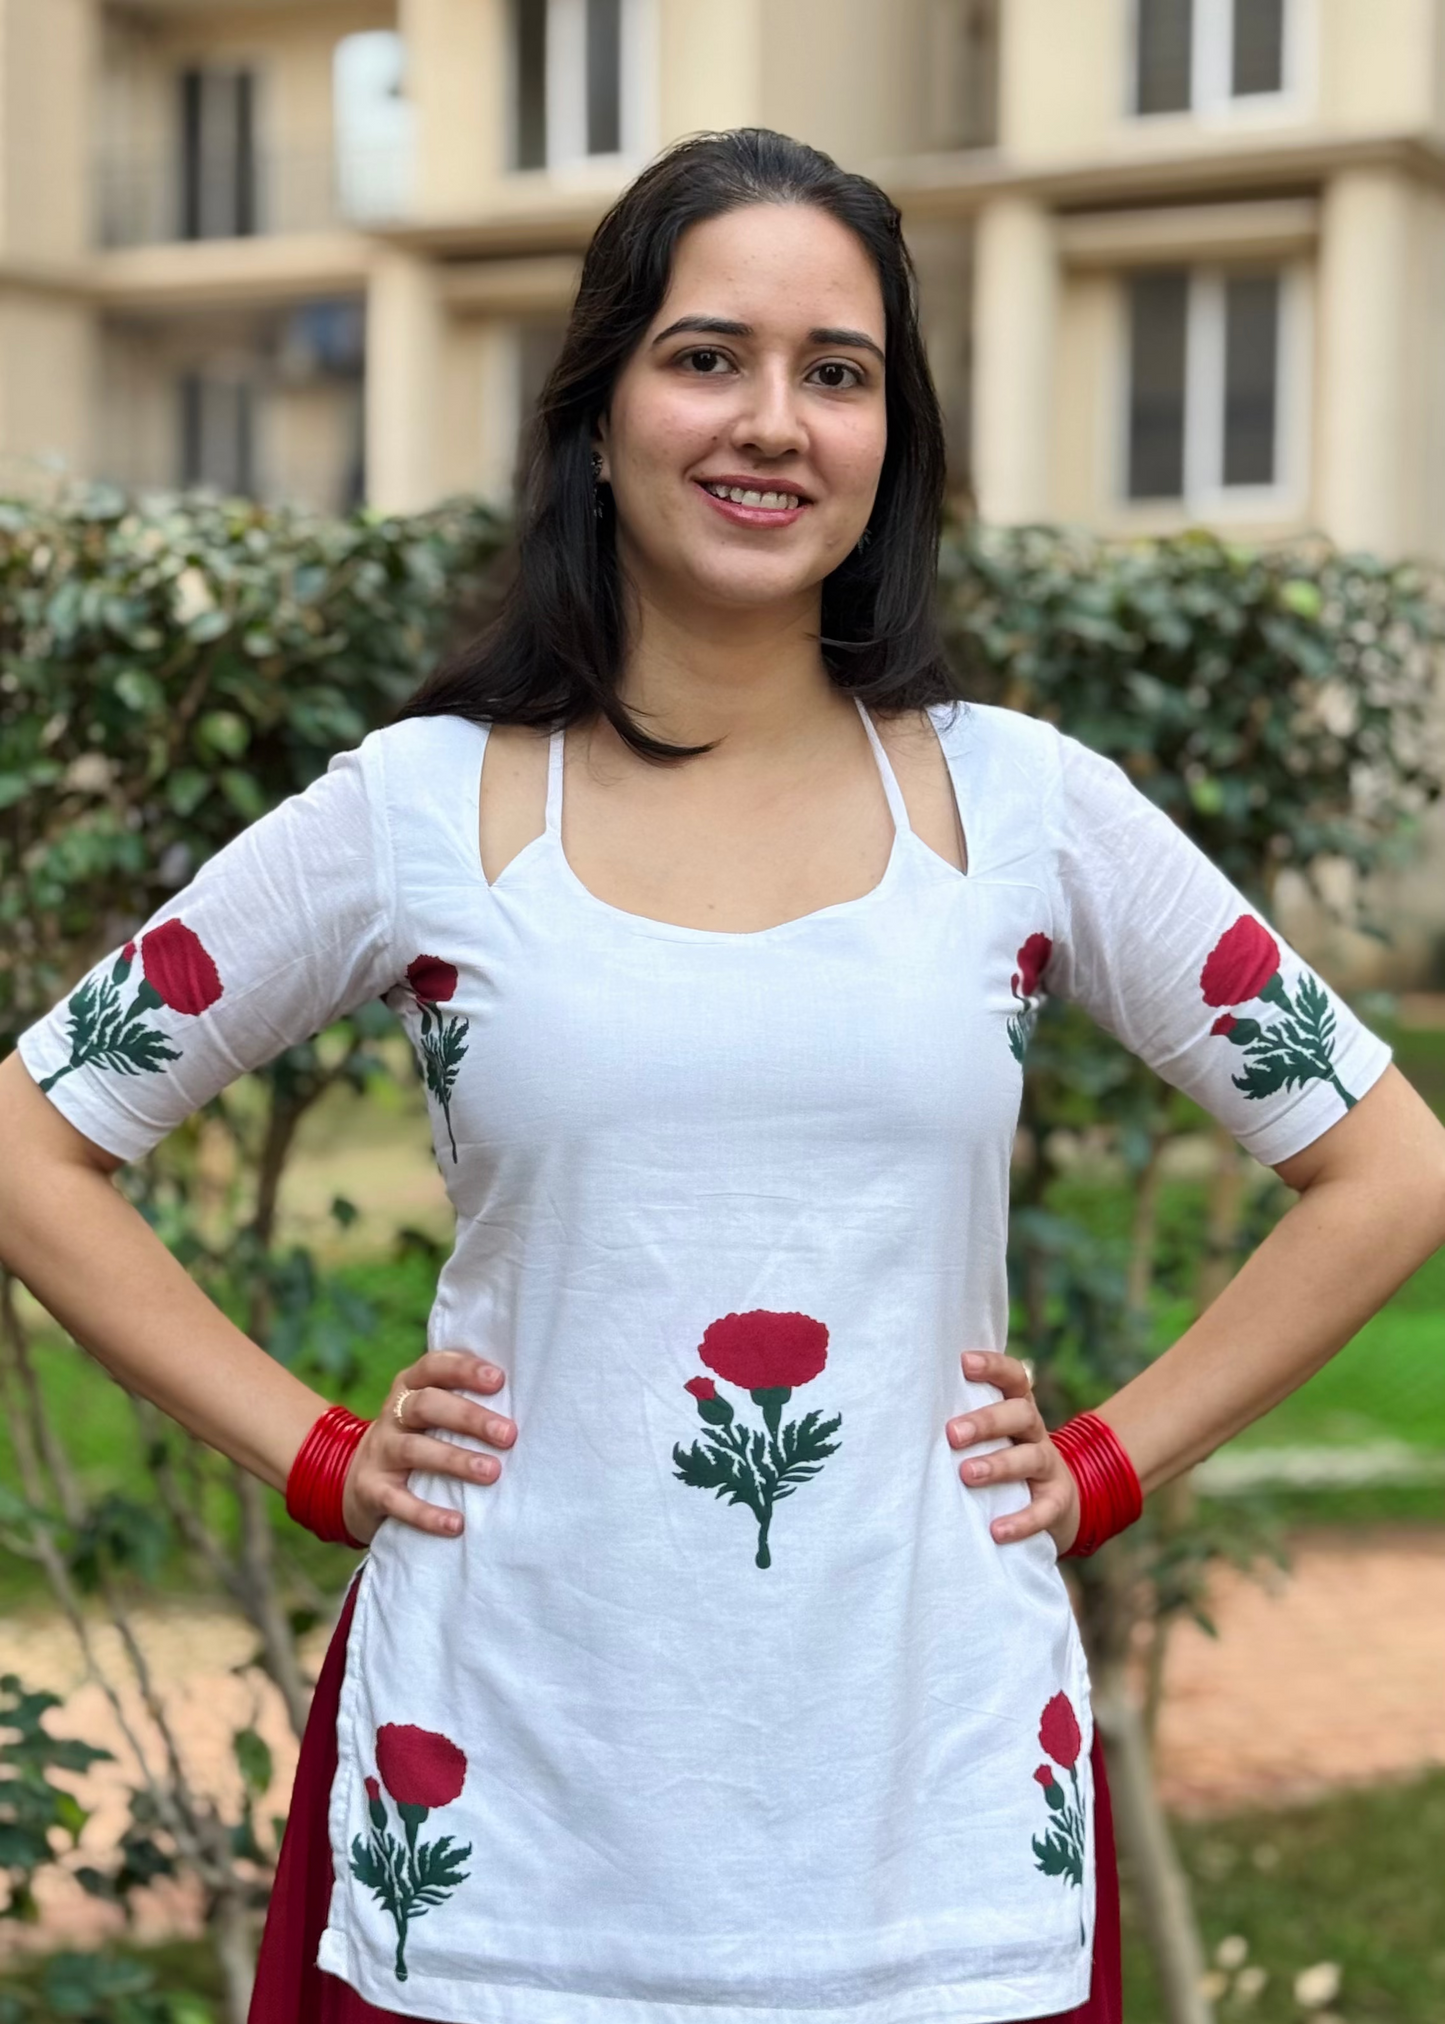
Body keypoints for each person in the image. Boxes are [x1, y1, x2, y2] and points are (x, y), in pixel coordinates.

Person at [1, 126, 1442, 2024]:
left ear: (888, 446)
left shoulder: (1022, 809)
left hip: (929, 1836)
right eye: (707, 357)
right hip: (507, 1830)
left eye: (835, 374)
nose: (772, 420)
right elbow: (33, 1134)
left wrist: (1102, 1465)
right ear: (599, 415)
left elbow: (1389, 1163)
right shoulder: (425, 814)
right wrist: (317, 1450)